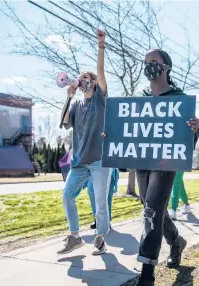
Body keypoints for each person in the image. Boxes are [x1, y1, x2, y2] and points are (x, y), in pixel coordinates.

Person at [125, 49, 199, 286]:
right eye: (146, 62)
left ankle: (147, 272)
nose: (149, 66)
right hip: (142, 160)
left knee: (152, 212)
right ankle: (176, 241)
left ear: (166, 67)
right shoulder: (140, 97)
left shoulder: (179, 97)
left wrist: (194, 129)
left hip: (166, 162)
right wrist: (113, 133)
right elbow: (130, 128)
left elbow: (185, 139)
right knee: (150, 206)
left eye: (154, 62)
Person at [57, 29, 111, 256]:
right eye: (83, 79)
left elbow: (100, 70)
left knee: (100, 203)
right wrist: (68, 96)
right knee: (67, 195)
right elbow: (64, 121)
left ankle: (100, 239)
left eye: (89, 79)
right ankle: (75, 237)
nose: (85, 81)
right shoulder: (77, 104)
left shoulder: (100, 98)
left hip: (99, 160)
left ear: (96, 83)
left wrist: (101, 45)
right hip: (79, 162)